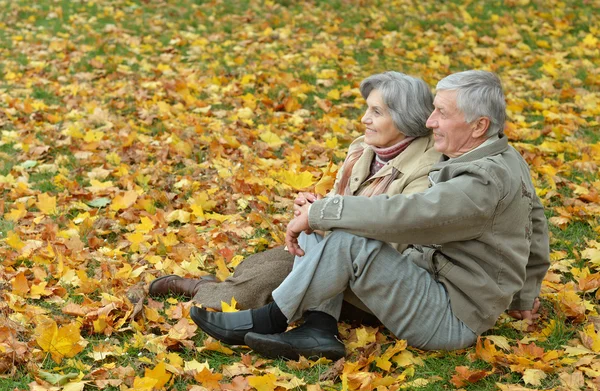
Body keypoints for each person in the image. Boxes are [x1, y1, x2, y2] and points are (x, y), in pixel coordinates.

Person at [191, 70, 550, 361]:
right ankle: (318, 329)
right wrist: (523, 299)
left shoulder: (481, 181)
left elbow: (412, 216)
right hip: (435, 286)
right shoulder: (502, 156)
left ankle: (269, 318)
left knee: (343, 231)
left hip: (451, 315)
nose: (430, 121)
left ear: (479, 126)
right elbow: (534, 221)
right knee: (334, 224)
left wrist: (324, 211)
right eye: (433, 109)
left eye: (442, 113)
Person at [148, 71, 440, 319]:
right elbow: (339, 199)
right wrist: (314, 209)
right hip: (335, 251)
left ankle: (197, 288)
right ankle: (225, 287)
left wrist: (323, 218)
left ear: (405, 119)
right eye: (367, 109)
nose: (364, 119)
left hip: (377, 278)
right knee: (265, 263)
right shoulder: (363, 148)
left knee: (267, 282)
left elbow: (396, 241)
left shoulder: (425, 169)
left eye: (376, 112)